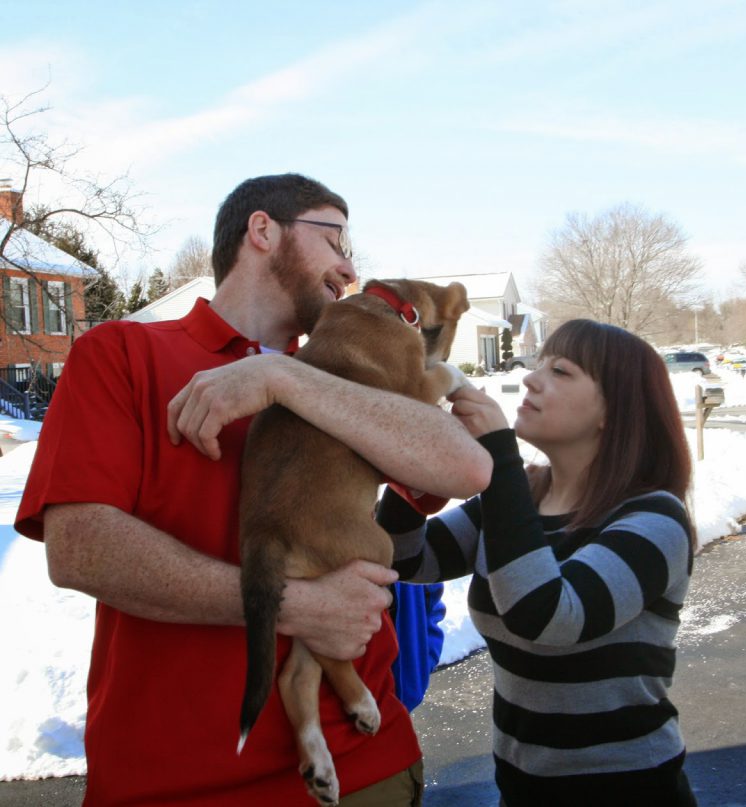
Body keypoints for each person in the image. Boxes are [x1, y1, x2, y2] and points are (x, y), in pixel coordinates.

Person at [14, 173, 492, 806]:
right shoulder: (122, 352)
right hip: (178, 782)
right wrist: (293, 604)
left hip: (366, 767)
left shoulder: (345, 371)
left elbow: (466, 468)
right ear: (263, 230)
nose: (350, 269)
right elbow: (79, 548)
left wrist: (283, 378)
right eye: (335, 238)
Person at [376, 319, 699, 807]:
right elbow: (406, 558)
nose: (530, 377)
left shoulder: (655, 518)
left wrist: (498, 458)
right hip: (521, 785)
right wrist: (421, 455)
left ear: (612, 411)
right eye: (539, 363)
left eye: (561, 371)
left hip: (627, 787)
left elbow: (547, 615)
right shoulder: (520, 494)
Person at [390, 580, 446, 712]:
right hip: (348, 707)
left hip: (402, 701)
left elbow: (432, 596)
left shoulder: (400, 559)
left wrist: (422, 664)